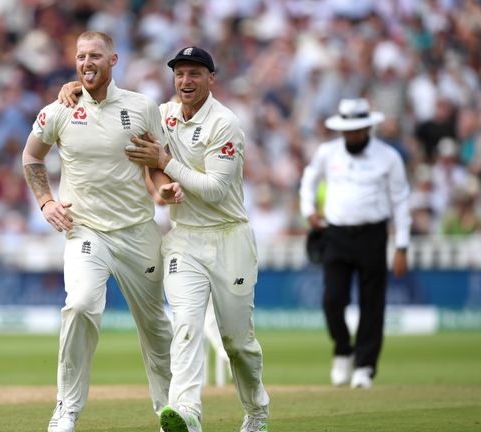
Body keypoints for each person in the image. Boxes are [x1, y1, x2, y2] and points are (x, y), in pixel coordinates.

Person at [22, 32, 182, 432]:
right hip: (86, 229)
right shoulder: (59, 109)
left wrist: (162, 186)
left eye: (95, 55)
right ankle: (66, 410)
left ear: (114, 59)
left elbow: (156, 164)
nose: (86, 62)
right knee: (79, 305)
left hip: (137, 232)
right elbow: (31, 157)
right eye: (80, 56)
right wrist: (45, 202)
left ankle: (169, 412)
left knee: (156, 328)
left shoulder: (142, 107)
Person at [122, 46, 271, 432]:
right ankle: (186, 412)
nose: (185, 82)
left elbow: (217, 190)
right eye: (180, 74)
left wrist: (165, 164)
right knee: (185, 326)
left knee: (237, 343)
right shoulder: (163, 115)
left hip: (229, 237)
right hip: (184, 239)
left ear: (211, 79)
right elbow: (145, 159)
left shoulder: (225, 123)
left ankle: (256, 410)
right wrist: (161, 189)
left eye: (194, 74)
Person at [298, 98, 411, 389]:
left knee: (373, 303)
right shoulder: (327, 152)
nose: (353, 136)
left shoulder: (388, 157)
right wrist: (309, 210)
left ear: (368, 128)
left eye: (358, 130)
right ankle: (343, 350)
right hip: (335, 234)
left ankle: (365, 366)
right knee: (332, 300)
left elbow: (400, 201)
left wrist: (402, 246)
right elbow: (308, 180)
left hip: (373, 234)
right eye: (348, 130)